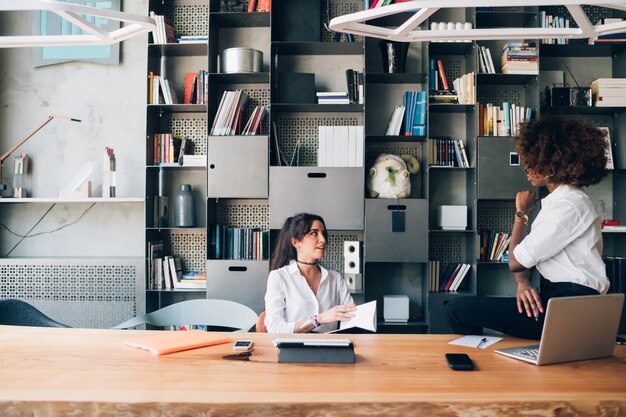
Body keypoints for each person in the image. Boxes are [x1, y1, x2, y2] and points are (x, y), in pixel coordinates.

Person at [445, 116, 610, 340]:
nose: (526, 166)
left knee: (457, 309)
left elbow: (515, 261)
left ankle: (478, 366)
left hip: (572, 307)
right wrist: (523, 283)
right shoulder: (561, 202)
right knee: (460, 309)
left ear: (554, 163)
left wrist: (521, 212)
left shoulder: (569, 205)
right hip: (559, 299)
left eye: (533, 160)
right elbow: (526, 256)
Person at [264, 213, 356, 333]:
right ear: (296, 242)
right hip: (294, 348)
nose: (323, 240)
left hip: (329, 348)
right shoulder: (279, 277)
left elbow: (352, 319)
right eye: (314, 233)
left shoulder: (335, 278)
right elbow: (275, 328)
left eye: (323, 233)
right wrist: (319, 319)